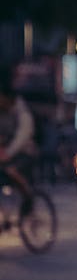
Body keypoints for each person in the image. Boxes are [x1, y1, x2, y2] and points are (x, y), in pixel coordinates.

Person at [0, 71, 38, 210]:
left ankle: (28, 197)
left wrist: (8, 153)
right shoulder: (3, 112)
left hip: (25, 153)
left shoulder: (23, 114)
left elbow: (22, 137)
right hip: (5, 152)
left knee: (12, 170)